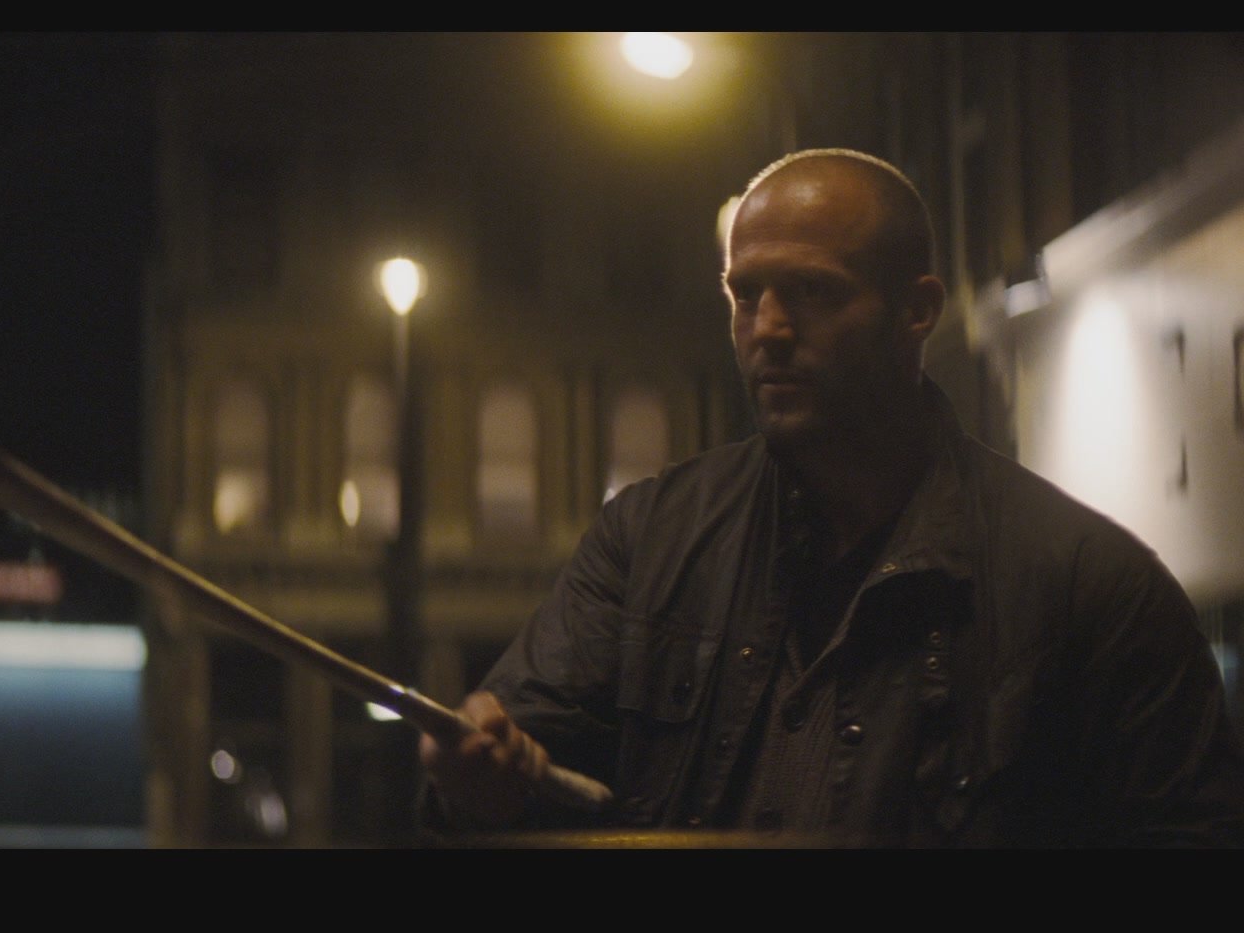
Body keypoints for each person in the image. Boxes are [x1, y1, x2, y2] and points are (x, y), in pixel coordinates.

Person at [421, 148, 1244, 846]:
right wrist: (476, 784)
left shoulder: (1089, 587)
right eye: (746, 295)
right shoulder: (649, 539)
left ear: (917, 310)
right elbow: (510, 770)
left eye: (812, 292)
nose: (768, 329)